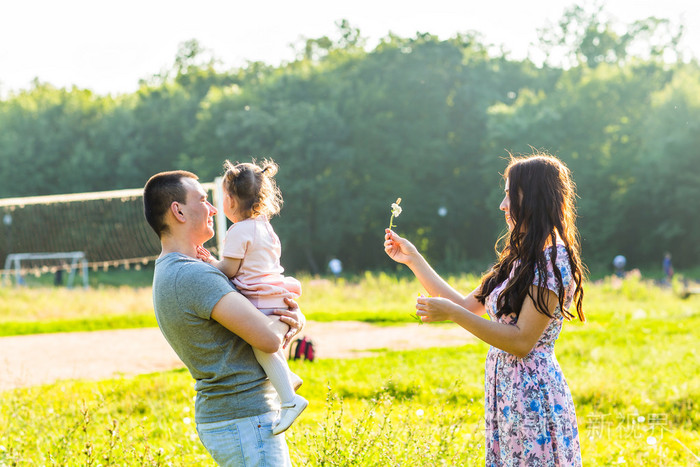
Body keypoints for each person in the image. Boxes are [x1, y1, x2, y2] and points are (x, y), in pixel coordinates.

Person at [384, 153, 585, 466]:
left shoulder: (552, 260)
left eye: (509, 195)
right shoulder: (519, 258)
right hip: (507, 394)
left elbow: (520, 341)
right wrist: (412, 258)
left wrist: (451, 314)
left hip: (534, 398)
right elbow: (467, 305)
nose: (502, 205)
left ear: (531, 198)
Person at [143, 170, 305, 466]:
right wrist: (291, 321)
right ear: (178, 211)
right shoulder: (193, 275)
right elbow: (268, 339)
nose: (214, 208)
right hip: (244, 419)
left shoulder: (176, 269)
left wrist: (287, 320)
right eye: (203, 200)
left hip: (237, 418)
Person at [197, 159, 308, 436]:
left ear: (232, 201)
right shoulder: (266, 228)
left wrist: (209, 261)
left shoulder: (238, 231)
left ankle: (290, 402)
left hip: (263, 301)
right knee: (265, 347)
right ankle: (287, 378)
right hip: (277, 296)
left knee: (261, 344)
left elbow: (228, 271)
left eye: (223, 196)